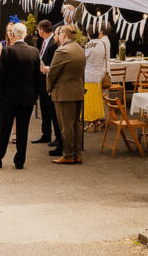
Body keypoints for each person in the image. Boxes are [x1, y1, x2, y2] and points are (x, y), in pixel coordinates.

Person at [0, 23, 41, 170]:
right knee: (23, 129)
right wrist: (35, 96)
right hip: (27, 97)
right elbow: (37, 77)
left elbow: (1, 75)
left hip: (9, 98)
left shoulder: (8, 51)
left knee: (4, 129)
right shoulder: (34, 52)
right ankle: (20, 160)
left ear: (12, 35)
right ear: (25, 35)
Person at [46, 24, 86, 164]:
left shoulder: (62, 51)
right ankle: (77, 154)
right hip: (78, 91)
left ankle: (68, 155)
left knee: (66, 126)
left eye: (59, 33)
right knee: (77, 124)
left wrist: (49, 88)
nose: (57, 36)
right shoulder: (80, 49)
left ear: (64, 34)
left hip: (64, 93)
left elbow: (52, 73)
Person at [33, 20, 58, 150]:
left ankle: (56, 137)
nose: (38, 32)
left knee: (52, 109)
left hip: (49, 78)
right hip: (42, 79)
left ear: (42, 30)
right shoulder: (44, 41)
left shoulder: (54, 43)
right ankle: (46, 133)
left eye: (39, 30)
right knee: (44, 107)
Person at [83, 22, 112, 129]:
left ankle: (90, 122)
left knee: (89, 101)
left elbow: (83, 60)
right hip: (99, 76)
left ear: (88, 34)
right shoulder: (103, 43)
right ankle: (98, 121)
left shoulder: (89, 45)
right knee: (97, 100)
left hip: (89, 76)